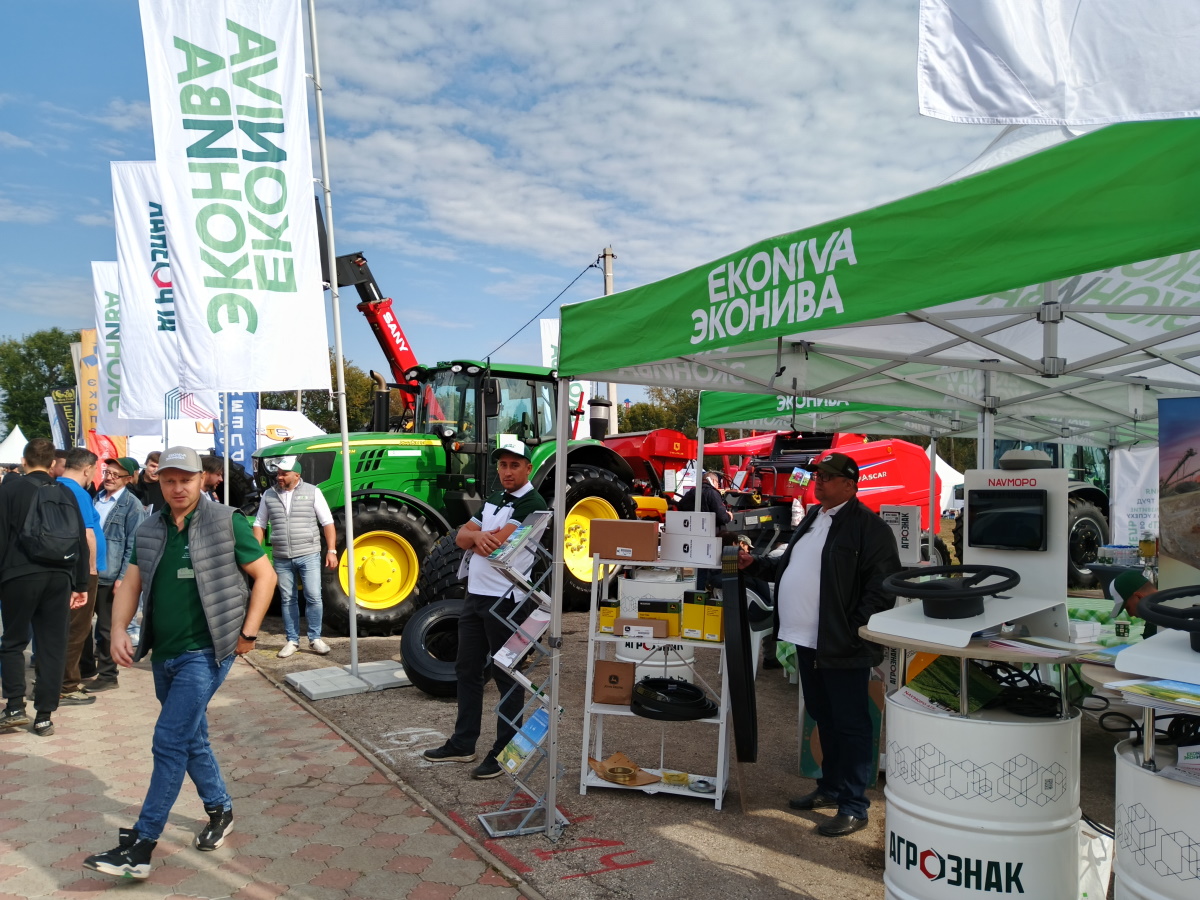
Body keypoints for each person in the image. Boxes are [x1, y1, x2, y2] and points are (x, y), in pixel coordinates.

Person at [83, 446, 276, 880]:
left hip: (207, 652)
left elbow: (266, 575)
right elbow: (131, 583)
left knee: (169, 740)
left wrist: (248, 633)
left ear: (200, 479)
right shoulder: (150, 528)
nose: (177, 488)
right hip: (164, 654)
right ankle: (220, 810)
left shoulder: (226, 521)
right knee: (191, 738)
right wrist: (118, 630)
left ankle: (141, 845)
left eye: (185, 479)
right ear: (159, 482)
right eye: (169, 480)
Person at [742, 451, 900, 837]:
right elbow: (792, 566)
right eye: (818, 476)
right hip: (807, 640)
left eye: (827, 477)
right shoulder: (814, 516)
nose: (819, 482)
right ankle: (830, 787)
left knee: (851, 723)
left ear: (849, 484)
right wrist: (756, 564)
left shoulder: (869, 528)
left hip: (841, 643)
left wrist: (853, 629)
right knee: (823, 716)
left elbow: (882, 588)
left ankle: (854, 805)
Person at [422, 439, 549, 780]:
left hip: (505, 600)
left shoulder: (532, 503)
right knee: (467, 670)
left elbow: (497, 546)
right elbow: (461, 538)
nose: (507, 471)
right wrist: (477, 537)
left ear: (528, 468)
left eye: (514, 465)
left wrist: (477, 537)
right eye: (503, 465)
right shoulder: (496, 497)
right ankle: (463, 743)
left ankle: (504, 750)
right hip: (476, 595)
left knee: (507, 674)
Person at [0, 438, 89, 736]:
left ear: (23, 461)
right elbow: (79, 538)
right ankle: (44, 716)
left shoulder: (9, 489)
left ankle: (15, 706)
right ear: (53, 464)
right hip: (60, 577)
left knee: (13, 641)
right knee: (52, 645)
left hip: (19, 575)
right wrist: (80, 583)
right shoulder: (65, 491)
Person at [252, 455, 336, 658]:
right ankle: (292, 640)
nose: (279, 477)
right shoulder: (269, 495)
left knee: (313, 596)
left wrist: (332, 550)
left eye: (284, 474)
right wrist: (257, 552)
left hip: (309, 553)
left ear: (297, 475)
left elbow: (327, 522)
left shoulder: (313, 492)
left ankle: (315, 638)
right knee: (288, 599)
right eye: (278, 474)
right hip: (281, 556)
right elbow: (259, 524)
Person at [90, 457, 147, 692]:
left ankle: (108, 675)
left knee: (107, 628)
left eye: (116, 475)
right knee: (84, 626)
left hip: (111, 574)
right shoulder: (96, 498)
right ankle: (86, 668)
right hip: (91, 572)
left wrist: (123, 577)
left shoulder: (132, 505)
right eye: (107, 472)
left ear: (128, 479)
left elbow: (134, 545)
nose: (109, 478)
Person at [58, 448, 106, 703]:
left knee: (62, 626)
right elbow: (88, 534)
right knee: (77, 628)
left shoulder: (54, 486)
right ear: (87, 469)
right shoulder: (78, 492)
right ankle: (67, 684)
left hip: (62, 568)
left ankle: (54, 678)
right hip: (81, 570)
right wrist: (91, 569)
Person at [678, 470, 732, 591]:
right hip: (713, 536)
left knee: (700, 568)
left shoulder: (691, 493)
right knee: (714, 568)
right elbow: (722, 516)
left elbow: (680, 507)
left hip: (695, 536)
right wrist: (729, 516)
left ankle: (699, 592)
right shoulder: (713, 493)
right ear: (713, 481)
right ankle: (712, 592)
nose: (718, 486)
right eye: (717, 483)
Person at [1109, 570, 1159, 638]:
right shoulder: (1170, 601)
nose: (1130, 614)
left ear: (1139, 597)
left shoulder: (1155, 622)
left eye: (1128, 608)